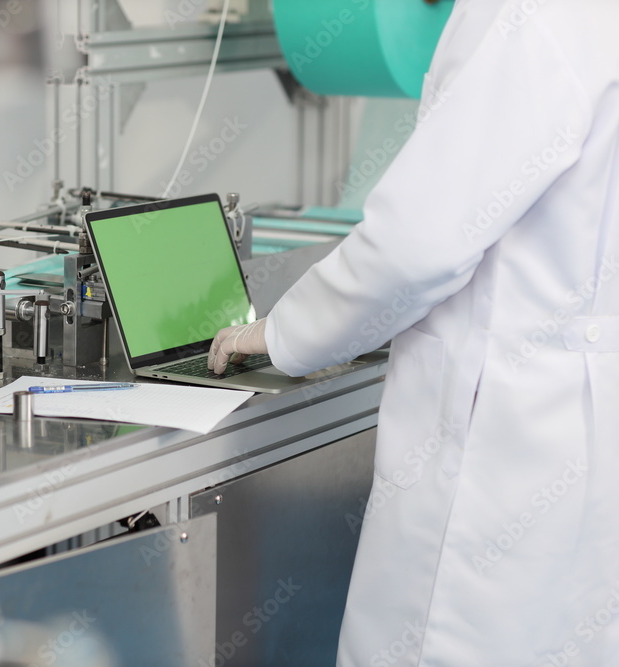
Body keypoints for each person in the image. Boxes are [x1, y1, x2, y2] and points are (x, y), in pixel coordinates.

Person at [207, 0, 619, 664]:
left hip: (496, 446)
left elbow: (416, 245)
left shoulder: (525, 18)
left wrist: (286, 332)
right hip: (580, 431)